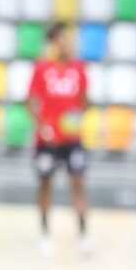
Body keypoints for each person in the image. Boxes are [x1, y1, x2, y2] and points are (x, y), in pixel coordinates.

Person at [26, 22, 90, 255]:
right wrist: (42, 127)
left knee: (79, 182)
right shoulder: (42, 69)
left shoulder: (79, 68)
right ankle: (44, 234)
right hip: (48, 140)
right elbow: (31, 100)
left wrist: (77, 117)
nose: (67, 43)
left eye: (69, 38)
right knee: (45, 184)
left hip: (72, 139)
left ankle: (83, 235)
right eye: (62, 38)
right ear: (53, 41)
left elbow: (84, 100)